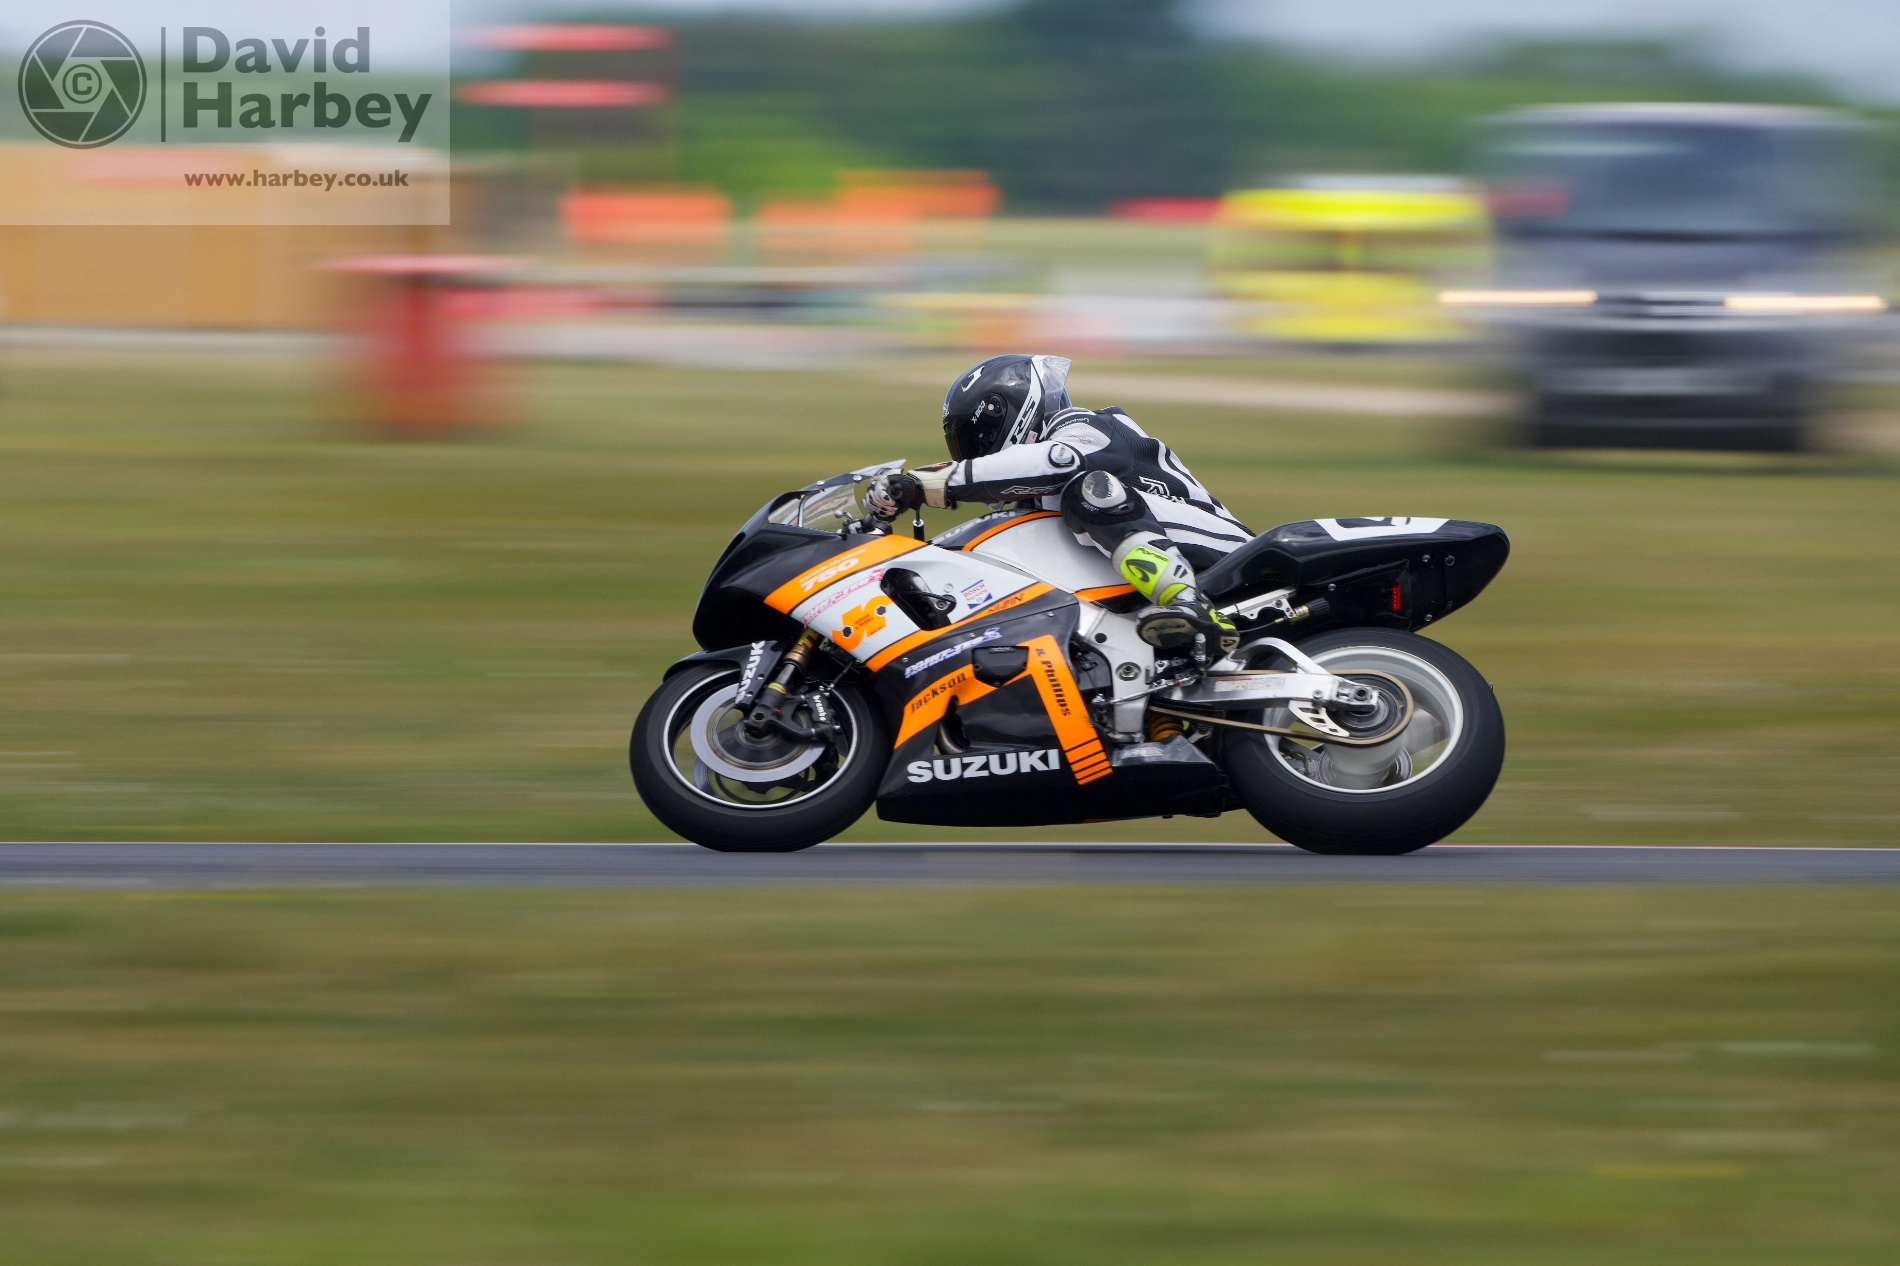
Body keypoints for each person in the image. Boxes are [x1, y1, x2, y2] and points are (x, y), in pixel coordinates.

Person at [867, 354, 1248, 652]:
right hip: (1154, 575)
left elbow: (1056, 462)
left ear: (1006, 413)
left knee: (1087, 489)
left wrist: (930, 483)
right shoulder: (1033, 499)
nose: (972, 456)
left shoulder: (1086, 427)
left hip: (1225, 553)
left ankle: (1188, 604)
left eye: (975, 440)